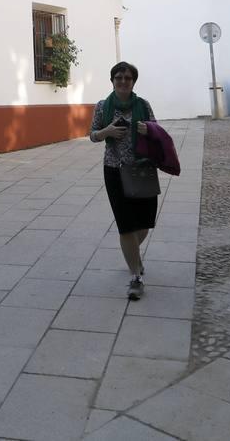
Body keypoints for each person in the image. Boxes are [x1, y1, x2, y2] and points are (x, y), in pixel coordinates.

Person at [89, 61, 157, 300]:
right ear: (112, 81)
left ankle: (133, 255)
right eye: (118, 77)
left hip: (142, 169)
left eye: (127, 78)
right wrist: (107, 131)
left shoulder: (143, 105)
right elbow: (93, 135)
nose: (123, 81)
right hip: (114, 170)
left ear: (133, 81)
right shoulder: (102, 106)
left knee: (145, 223)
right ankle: (135, 276)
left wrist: (147, 130)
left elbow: (156, 130)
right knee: (126, 224)